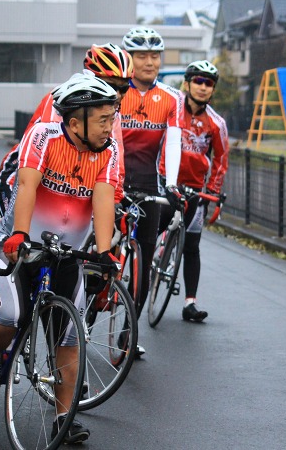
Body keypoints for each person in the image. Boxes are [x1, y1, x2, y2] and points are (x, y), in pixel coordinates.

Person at [0, 74, 122, 444]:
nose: (109, 127)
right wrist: (19, 233)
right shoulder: (43, 136)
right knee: (9, 317)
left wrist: (103, 251)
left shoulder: (109, 150)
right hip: (21, 243)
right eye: (102, 119)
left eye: (111, 118)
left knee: (69, 335)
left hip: (67, 252)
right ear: (74, 122)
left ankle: (64, 417)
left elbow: (103, 200)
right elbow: (27, 185)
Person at [0, 43, 133, 215]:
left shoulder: (110, 110)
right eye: (113, 86)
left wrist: (116, 198)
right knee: (20, 234)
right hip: (25, 174)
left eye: (124, 88)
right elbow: (53, 152)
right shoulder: (62, 100)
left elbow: (115, 155)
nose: (118, 95)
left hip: (68, 182)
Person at [120, 27, 181, 349]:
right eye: (141, 55)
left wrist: (170, 184)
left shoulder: (171, 98)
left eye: (154, 56)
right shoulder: (116, 91)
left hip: (148, 184)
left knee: (142, 267)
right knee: (96, 255)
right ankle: (84, 318)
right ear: (129, 58)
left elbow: (173, 142)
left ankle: (128, 337)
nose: (149, 62)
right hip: (113, 181)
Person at [159, 60, 229, 322]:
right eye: (197, 81)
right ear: (186, 83)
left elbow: (221, 160)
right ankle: (143, 273)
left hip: (196, 191)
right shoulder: (172, 111)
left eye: (208, 83)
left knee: (192, 245)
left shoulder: (216, 123)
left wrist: (212, 191)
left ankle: (190, 303)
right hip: (166, 183)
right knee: (150, 232)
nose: (202, 87)